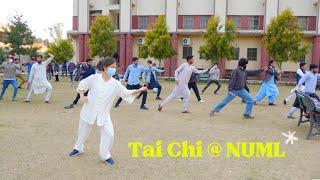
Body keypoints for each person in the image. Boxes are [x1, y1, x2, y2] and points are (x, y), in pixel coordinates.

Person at [68, 57, 147, 166]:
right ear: (105, 68)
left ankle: (105, 155)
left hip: (104, 113)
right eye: (112, 67)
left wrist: (140, 90)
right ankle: (78, 148)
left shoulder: (115, 83)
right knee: (83, 131)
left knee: (109, 134)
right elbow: (82, 85)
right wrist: (82, 96)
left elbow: (126, 93)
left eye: (115, 68)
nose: (114, 70)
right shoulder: (94, 78)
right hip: (89, 109)